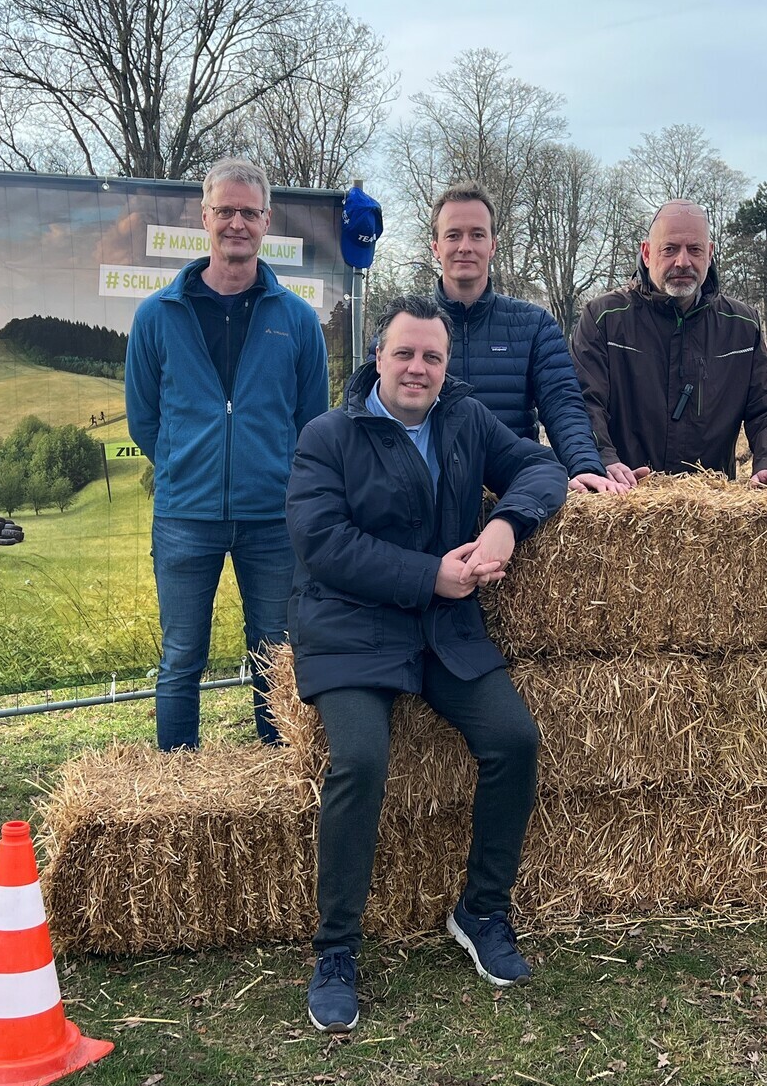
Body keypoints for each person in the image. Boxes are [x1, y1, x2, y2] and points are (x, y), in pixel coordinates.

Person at [286, 296, 568, 1032]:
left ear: (447, 366)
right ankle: (336, 950)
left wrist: (506, 523)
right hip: (351, 627)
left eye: (433, 357)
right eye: (405, 353)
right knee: (360, 760)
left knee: (515, 741)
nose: (418, 368)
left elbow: (542, 467)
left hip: (443, 629)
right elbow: (323, 543)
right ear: (377, 357)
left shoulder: (465, 419)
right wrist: (427, 575)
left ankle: (482, 910)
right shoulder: (328, 435)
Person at [126, 156, 330, 749]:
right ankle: (176, 780)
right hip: (184, 517)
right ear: (204, 217)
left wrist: (269, 472)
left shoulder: (297, 319)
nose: (236, 223)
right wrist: (186, 466)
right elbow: (144, 419)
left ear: (266, 220)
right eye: (225, 211)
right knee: (180, 658)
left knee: (276, 656)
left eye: (249, 212)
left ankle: (277, 775)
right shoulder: (157, 315)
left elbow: (311, 423)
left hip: (272, 518)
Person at [385, 182, 620, 496]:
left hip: (513, 493)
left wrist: (584, 467)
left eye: (477, 235)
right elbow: (372, 410)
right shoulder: (400, 326)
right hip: (423, 495)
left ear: (493, 245)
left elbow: (563, 406)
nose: (465, 246)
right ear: (436, 247)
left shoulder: (534, 325)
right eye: (453, 235)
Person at [571, 200, 767, 488]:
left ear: (710, 253)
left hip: (713, 503)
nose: (683, 261)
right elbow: (582, 402)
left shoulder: (742, 325)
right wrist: (599, 458)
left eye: (694, 249)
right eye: (670, 249)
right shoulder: (604, 318)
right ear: (647, 253)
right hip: (623, 491)